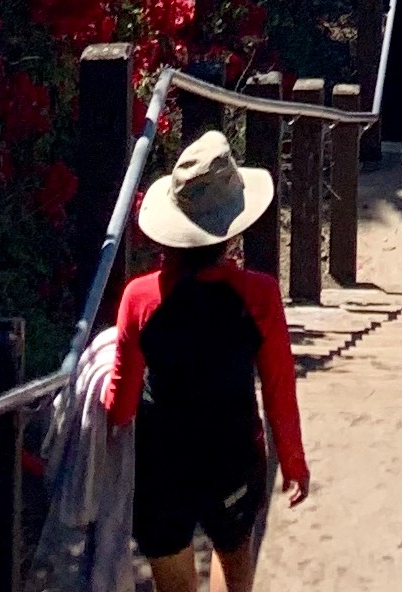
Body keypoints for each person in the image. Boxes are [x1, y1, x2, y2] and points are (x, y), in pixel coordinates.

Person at [107, 132, 310, 592]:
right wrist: (293, 460)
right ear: (232, 228)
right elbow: (279, 386)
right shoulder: (259, 296)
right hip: (232, 455)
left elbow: (120, 406)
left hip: (161, 465)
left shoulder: (139, 297)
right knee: (234, 556)